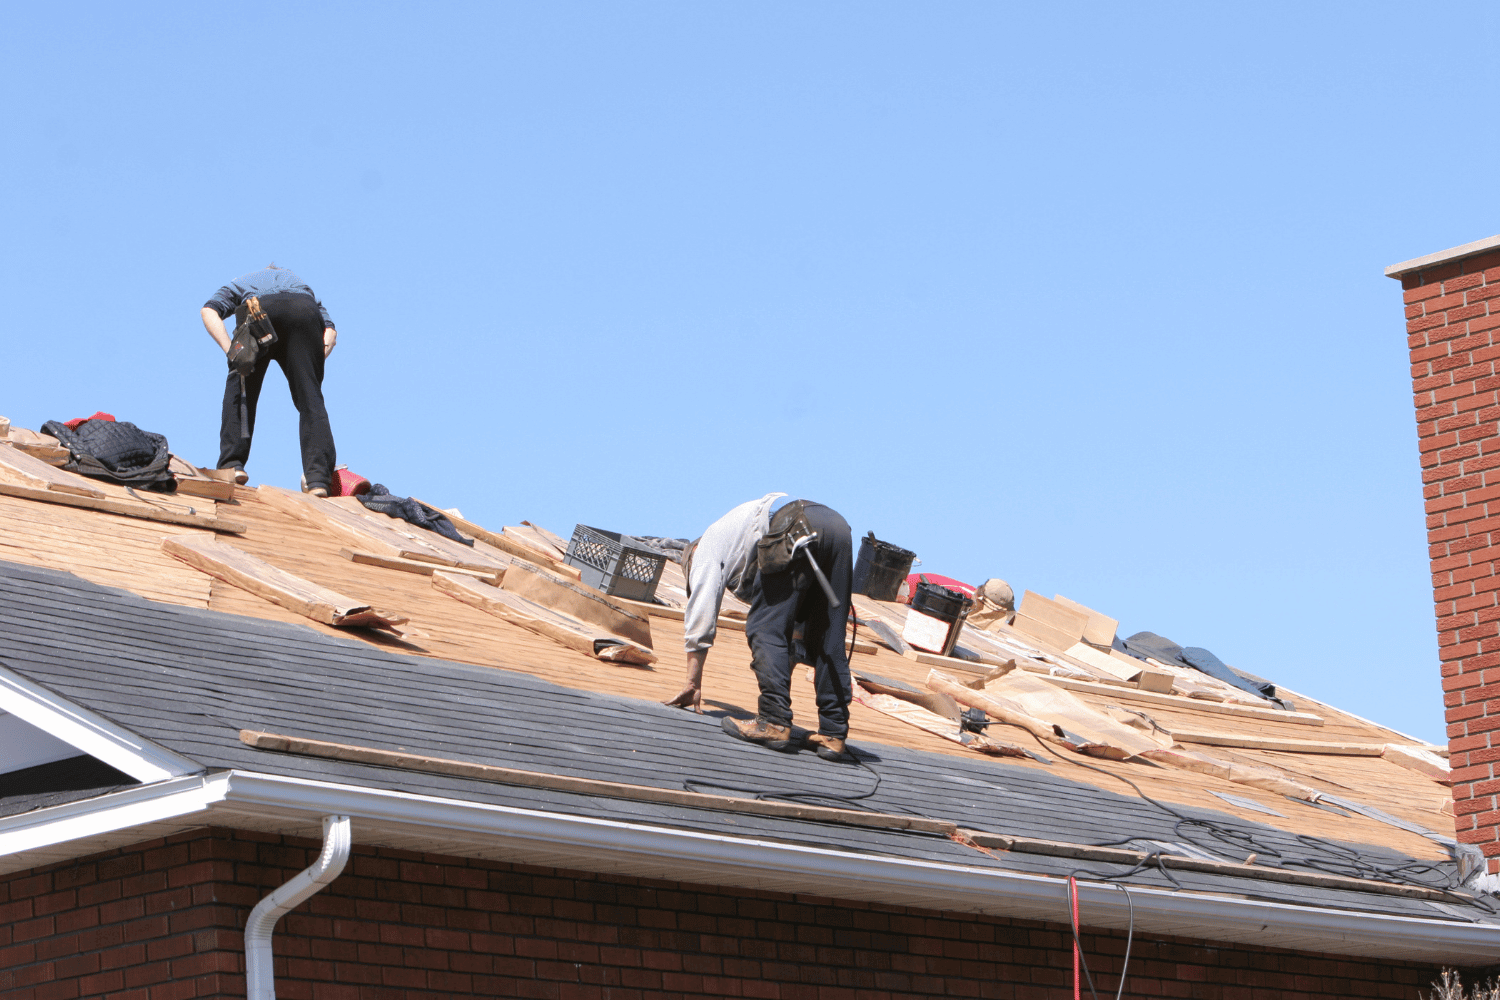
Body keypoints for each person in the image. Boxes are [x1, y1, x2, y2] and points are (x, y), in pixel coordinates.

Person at [663, 493, 855, 761]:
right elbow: (796, 632)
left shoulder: (705, 547)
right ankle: (833, 734)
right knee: (827, 633)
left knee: (764, 627)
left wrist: (692, 683)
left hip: (795, 523)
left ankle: (774, 722)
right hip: (836, 526)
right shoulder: (738, 534)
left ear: (691, 556)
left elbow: (703, 608)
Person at [200, 265, 339, 495]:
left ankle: (231, 465)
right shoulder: (303, 288)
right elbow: (330, 334)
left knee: (242, 387)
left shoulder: (241, 282)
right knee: (310, 399)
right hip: (303, 312)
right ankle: (318, 480)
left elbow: (208, 310)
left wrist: (232, 353)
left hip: (258, 310)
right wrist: (309, 366)